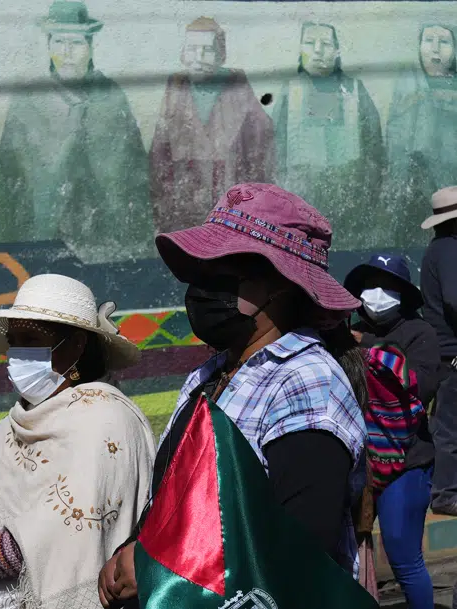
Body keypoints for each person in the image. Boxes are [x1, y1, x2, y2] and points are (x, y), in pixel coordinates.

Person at [99, 183, 369, 607]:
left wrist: (155, 565)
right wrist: (133, 550)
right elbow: (174, 497)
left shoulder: (307, 383)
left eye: (221, 274)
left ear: (280, 286)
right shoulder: (211, 374)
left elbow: (295, 544)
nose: (202, 288)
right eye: (198, 273)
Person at [0, 273, 156, 609]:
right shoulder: (10, 426)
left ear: (78, 343)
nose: (19, 353)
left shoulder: (105, 418)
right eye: (14, 340)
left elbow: (64, 526)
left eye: (32, 338)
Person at [0, 1, 152, 262]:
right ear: (48, 46)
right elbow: (9, 176)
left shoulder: (111, 97)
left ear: (90, 47)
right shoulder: (29, 99)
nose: (66, 53)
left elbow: (135, 175)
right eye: (58, 42)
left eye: (76, 44)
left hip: (106, 240)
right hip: (45, 237)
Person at [346, 253, 439, 608]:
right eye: (370, 285)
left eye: (387, 286)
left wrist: (366, 350)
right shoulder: (350, 331)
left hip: (407, 462)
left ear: (403, 293)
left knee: (404, 559)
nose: (376, 293)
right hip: (359, 460)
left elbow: (423, 387)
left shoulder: (420, 333)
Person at [149, 17, 275, 234]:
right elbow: (160, 153)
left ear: (221, 55)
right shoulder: (176, 86)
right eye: (192, 49)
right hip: (185, 203)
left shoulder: (237, 85)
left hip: (228, 203)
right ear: (183, 53)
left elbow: (262, 147)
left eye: (207, 50)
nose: (198, 58)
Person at [271, 22, 387, 251]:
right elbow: (276, 153)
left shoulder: (355, 90)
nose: (317, 50)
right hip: (301, 213)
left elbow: (374, 150)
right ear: (300, 50)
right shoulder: (289, 92)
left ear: (337, 51)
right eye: (310, 43)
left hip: (350, 209)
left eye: (325, 44)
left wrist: (367, 196)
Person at [383, 24, 457, 248]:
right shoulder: (406, 87)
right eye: (428, 41)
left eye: (443, 42)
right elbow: (394, 137)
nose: (435, 49)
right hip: (411, 187)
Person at [421, 188, 457, 521]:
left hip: (444, 353)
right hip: (452, 354)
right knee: (448, 426)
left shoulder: (439, 248)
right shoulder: (449, 250)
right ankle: (445, 494)